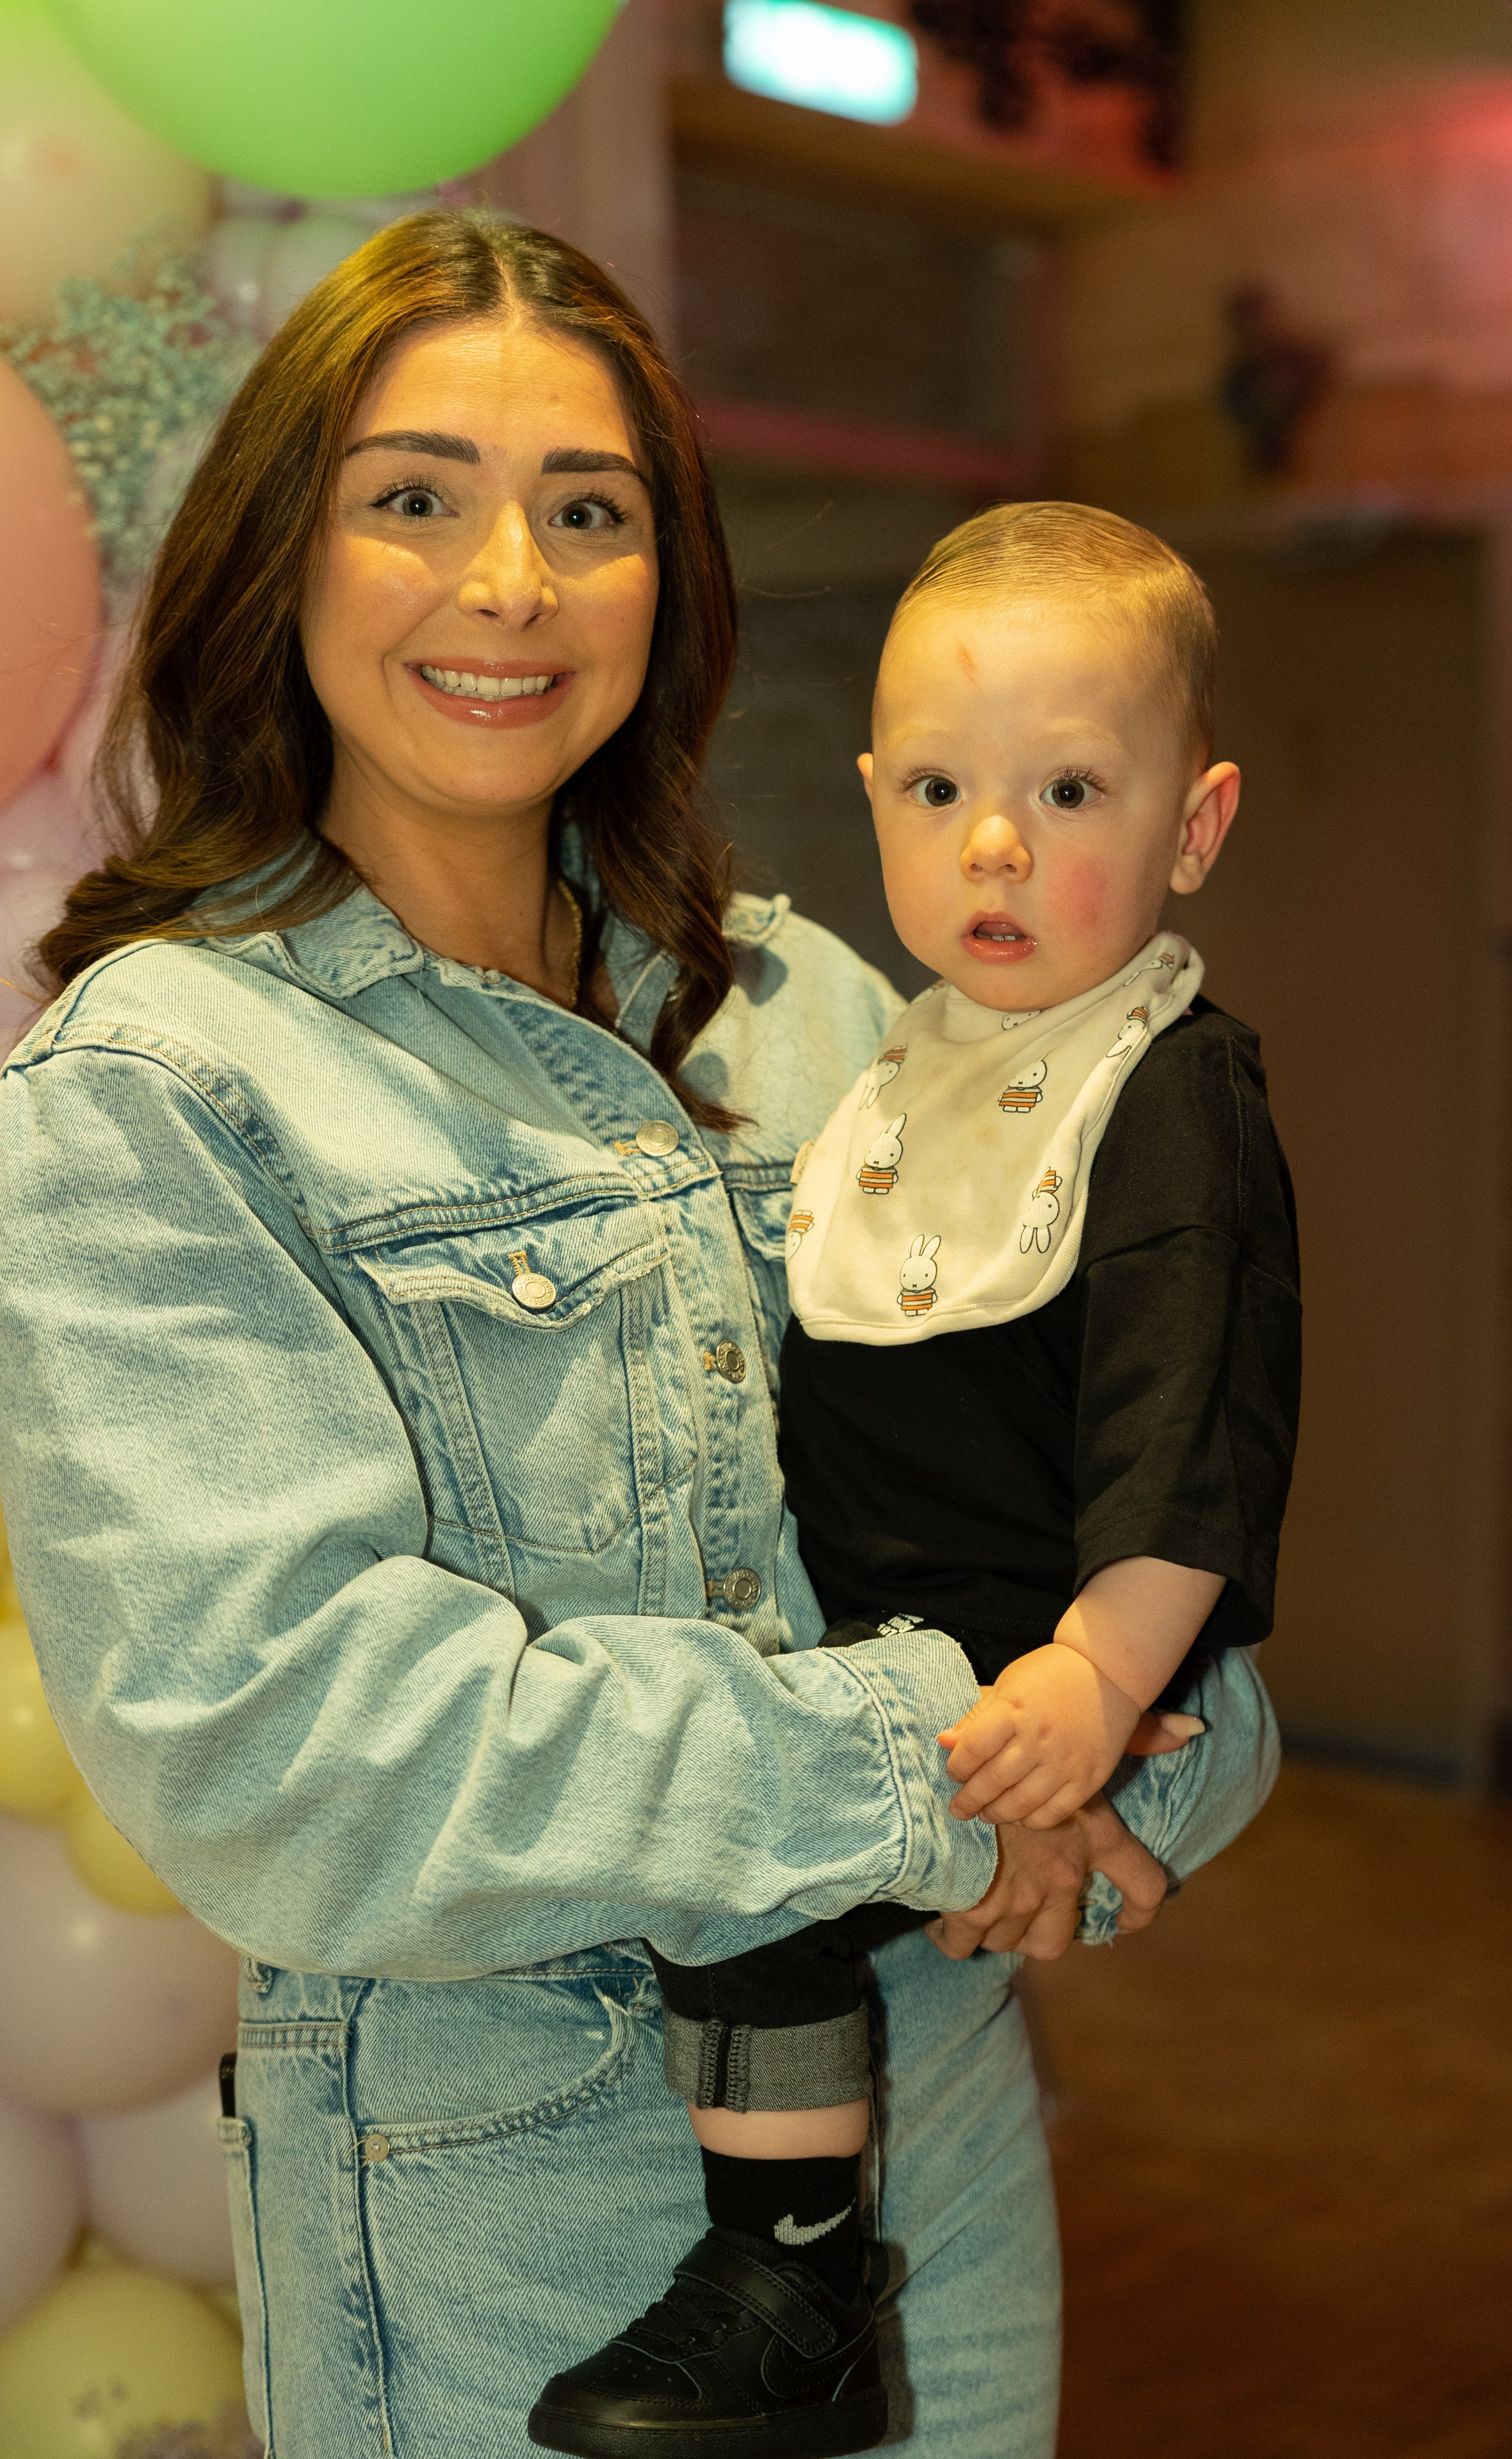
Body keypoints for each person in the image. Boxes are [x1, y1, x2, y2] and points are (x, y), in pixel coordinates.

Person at [0, 217, 1278, 2459]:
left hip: (940, 2156)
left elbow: (1140, 1500)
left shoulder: (839, 1026)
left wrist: (1145, 1760)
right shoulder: (165, 1087)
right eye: (415, 497)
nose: (513, 582)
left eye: (589, 512)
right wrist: (952, 1780)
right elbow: (297, 1753)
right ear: (281, 561)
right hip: (512, 2240)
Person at [536, 504, 1299, 2456]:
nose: (994, 847)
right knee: (749, 1879)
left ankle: (787, 2272)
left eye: (1067, 790)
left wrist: (1100, 1687)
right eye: (944, 789)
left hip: (1017, 1638)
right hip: (873, 1642)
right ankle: (789, 2267)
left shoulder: (1167, 1087)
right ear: (872, 798)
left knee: (744, 1873)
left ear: (1194, 827)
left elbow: (1183, 1424)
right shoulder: (900, 1066)